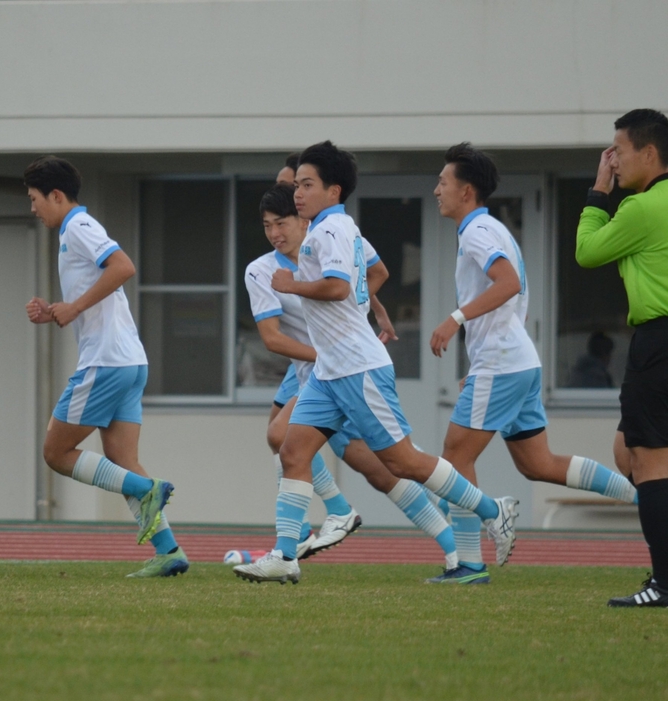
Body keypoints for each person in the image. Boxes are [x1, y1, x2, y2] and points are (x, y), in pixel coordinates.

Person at [234, 141, 518, 584]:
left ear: (334, 190)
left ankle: (491, 508)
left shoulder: (330, 231)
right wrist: (373, 306)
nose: (298, 194)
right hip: (329, 370)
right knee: (292, 450)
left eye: (307, 185)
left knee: (402, 461)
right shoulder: (329, 230)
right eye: (298, 186)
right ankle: (285, 556)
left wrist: (290, 285)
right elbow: (368, 277)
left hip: (356, 368)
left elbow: (337, 288)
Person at [429, 142, 638, 584]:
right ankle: (643, 496)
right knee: (537, 464)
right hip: (517, 361)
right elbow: (516, 294)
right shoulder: (492, 229)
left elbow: (506, 283)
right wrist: (487, 354)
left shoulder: (477, 231)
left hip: (505, 363)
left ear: (466, 191)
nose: (436, 190)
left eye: (443, 182)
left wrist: (455, 320)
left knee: (454, 455)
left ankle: (469, 564)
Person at [244, 183, 459, 568]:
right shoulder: (261, 270)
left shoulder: (330, 235)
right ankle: (452, 542)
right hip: (316, 370)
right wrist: (338, 340)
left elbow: (373, 273)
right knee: (377, 469)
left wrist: (362, 316)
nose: (275, 232)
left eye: (283, 221)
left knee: (289, 438)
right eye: (267, 225)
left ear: (305, 213)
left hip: (346, 368)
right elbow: (273, 339)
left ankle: (333, 518)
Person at [23, 156, 186, 579]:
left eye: (35, 199)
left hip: (106, 362)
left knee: (55, 453)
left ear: (56, 196)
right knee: (122, 459)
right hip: (130, 360)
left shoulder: (78, 225)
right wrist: (59, 310)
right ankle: (168, 551)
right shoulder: (73, 230)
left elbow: (124, 266)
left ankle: (148, 490)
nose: (33, 208)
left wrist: (74, 306)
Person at [575, 108, 668, 607]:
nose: (613, 160)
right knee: (626, 450)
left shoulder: (643, 208)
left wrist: (598, 192)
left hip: (659, 338)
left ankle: (664, 584)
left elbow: (586, 252)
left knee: (648, 460)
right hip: (655, 341)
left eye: (619, 151)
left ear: (649, 153)